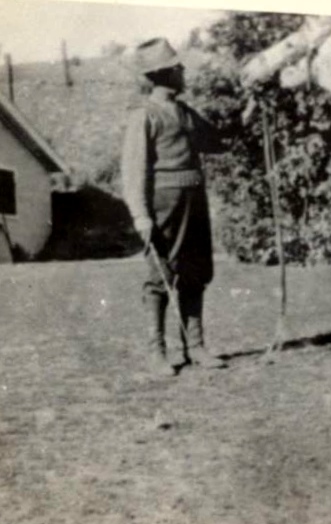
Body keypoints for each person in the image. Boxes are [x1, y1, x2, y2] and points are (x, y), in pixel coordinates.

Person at [121, 37, 226, 375]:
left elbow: (218, 141)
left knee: (195, 272)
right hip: (163, 204)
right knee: (161, 275)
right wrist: (140, 214)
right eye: (177, 67)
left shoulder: (185, 112)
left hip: (194, 201)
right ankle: (157, 353)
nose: (183, 70)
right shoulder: (144, 116)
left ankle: (195, 347)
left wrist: (252, 109)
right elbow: (133, 169)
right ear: (162, 74)